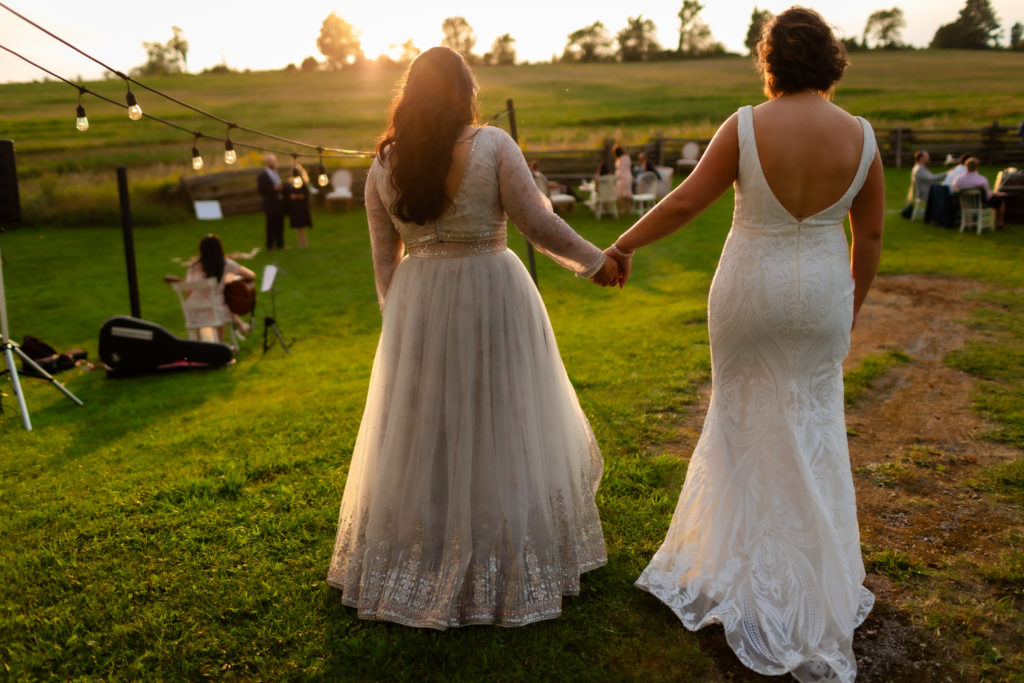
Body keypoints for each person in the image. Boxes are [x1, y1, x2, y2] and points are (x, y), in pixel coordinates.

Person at [604, 8, 883, 681]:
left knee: (741, 421)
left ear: (771, 61)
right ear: (831, 60)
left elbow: (681, 205)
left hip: (747, 292)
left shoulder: (745, 125)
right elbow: (868, 239)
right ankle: (816, 574)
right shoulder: (864, 138)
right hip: (821, 294)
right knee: (813, 426)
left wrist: (622, 244)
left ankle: (741, 566)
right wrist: (850, 307)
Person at [326, 47, 619, 630]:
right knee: (503, 414)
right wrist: (596, 260)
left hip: (418, 301)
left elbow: (385, 264)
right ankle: (500, 543)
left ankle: (430, 543)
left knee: (428, 425)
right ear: (465, 92)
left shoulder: (383, 166)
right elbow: (536, 223)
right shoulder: (491, 145)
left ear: (409, 95)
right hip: (491, 290)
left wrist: (403, 325)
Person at [165, 233, 256, 340]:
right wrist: (235, 277)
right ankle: (222, 342)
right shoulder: (226, 263)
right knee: (224, 304)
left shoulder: (194, 266)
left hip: (193, 313)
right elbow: (251, 275)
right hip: (215, 312)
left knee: (221, 304)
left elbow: (188, 292)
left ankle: (239, 325)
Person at [952, 156, 1007, 229]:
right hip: (980, 203)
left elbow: (955, 190)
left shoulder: (958, 179)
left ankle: (970, 222)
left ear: (966, 166)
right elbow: (988, 196)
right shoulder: (982, 179)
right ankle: (1000, 224)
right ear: (977, 167)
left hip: (963, 204)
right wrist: (996, 193)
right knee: (1000, 200)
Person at [902, 150, 945, 218]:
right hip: (924, 193)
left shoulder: (920, 167)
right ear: (921, 158)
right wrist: (946, 174)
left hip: (926, 190)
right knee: (946, 193)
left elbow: (930, 180)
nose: (929, 158)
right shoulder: (919, 169)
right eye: (927, 156)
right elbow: (931, 178)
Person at [258, 154, 285, 250]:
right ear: (267, 162)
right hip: (270, 203)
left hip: (279, 202)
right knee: (271, 224)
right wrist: (274, 188)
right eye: (272, 161)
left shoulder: (275, 172)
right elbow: (261, 189)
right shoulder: (263, 175)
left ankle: (280, 244)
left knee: (280, 224)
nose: (274, 163)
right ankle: (269, 246)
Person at [284, 163, 313, 247]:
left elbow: (305, 194)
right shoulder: (290, 182)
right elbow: (287, 193)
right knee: (299, 227)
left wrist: (298, 196)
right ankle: (301, 242)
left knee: (301, 226)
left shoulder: (302, 182)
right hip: (294, 207)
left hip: (301, 207)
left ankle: (303, 242)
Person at [614, 145, 633, 213]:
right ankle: (628, 209)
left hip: (621, 178)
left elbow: (620, 170)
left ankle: (621, 209)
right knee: (627, 194)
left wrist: (616, 176)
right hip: (628, 177)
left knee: (619, 195)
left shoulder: (620, 159)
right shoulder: (627, 157)